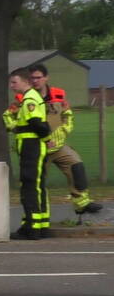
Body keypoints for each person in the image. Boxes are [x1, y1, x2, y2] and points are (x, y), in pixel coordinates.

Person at [27, 63, 103, 215]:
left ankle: (82, 203)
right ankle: (38, 215)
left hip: (59, 145)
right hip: (38, 147)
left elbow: (67, 115)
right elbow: (13, 120)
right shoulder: (25, 98)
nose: (35, 81)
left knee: (76, 165)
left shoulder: (58, 95)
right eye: (32, 78)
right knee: (37, 183)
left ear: (46, 78)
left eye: (38, 78)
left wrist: (63, 132)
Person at [4, 67, 51, 240]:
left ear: (25, 81)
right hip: (32, 145)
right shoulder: (29, 98)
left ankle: (31, 227)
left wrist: (46, 138)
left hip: (32, 146)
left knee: (30, 185)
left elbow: (37, 124)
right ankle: (41, 225)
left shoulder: (30, 98)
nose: (11, 86)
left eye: (14, 82)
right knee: (36, 185)